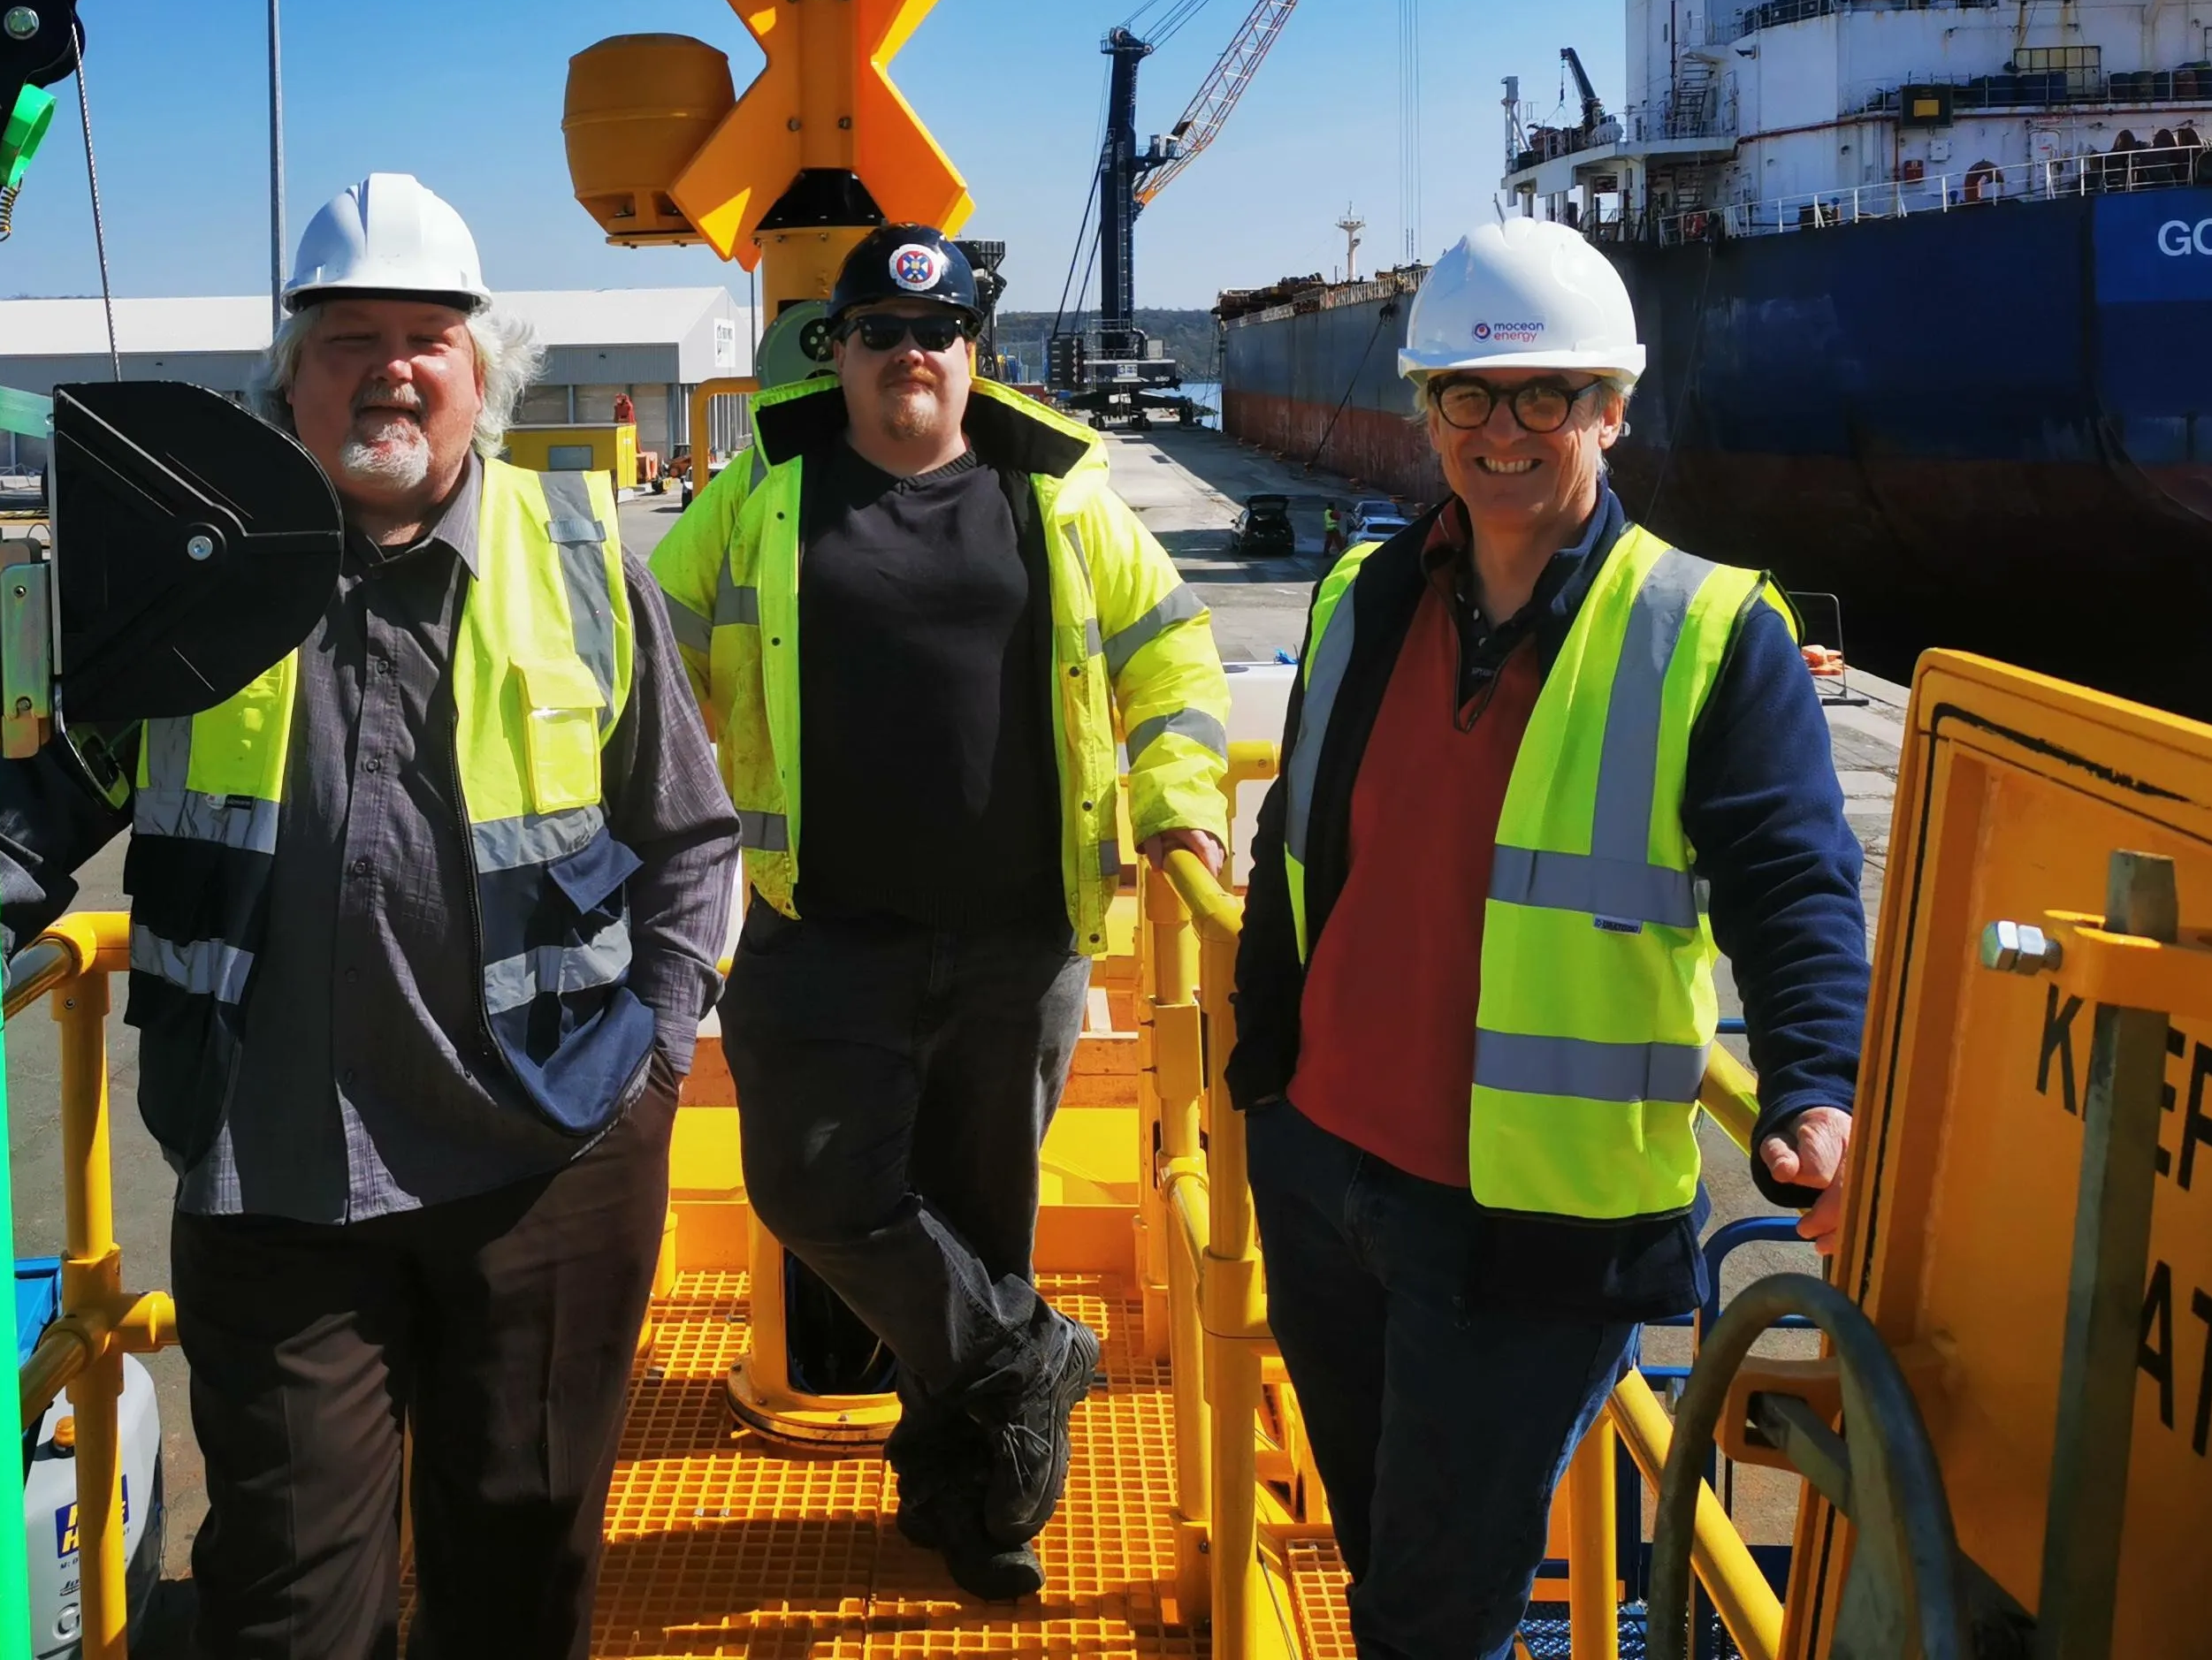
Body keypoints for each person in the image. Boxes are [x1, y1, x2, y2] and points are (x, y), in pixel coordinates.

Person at [0, 171, 736, 1660]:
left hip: (552, 1162)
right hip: (278, 1174)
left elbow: (689, 834)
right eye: (349, 336)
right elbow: (47, 813)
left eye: (428, 336)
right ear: (287, 377)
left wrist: (662, 1051)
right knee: (290, 1602)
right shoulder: (187, 578)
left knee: (523, 1565)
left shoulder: (582, 560)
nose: (392, 368)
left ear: (485, 372)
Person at [1227, 216, 1865, 1660]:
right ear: (1426, 409)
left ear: (1612, 410)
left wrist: (1814, 1086)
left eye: (1548, 396)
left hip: (1532, 1221)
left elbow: (1794, 880)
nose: (1504, 430)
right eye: (1469, 394)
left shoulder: (1706, 631)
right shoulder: (1361, 596)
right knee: (1388, 1549)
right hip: (1327, 1170)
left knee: (1430, 1613)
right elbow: (1298, 848)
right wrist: (1263, 1078)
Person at [652, 225, 1232, 1600]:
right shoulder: (765, 492)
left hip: (1017, 935)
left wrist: (1181, 795)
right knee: (808, 1186)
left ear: (975, 352)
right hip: (819, 926)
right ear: (835, 349)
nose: (907, 355)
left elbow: (1174, 654)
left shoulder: (1065, 493)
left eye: (936, 334)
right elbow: (652, 661)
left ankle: (972, 1513)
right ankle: (1028, 1354)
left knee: (980, 1224)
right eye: (877, 333)